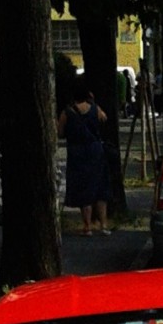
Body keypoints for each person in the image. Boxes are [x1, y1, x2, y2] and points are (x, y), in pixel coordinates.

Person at [58, 82, 111, 235]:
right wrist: (93, 102)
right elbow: (104, 119)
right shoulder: (95, 109)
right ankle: (104, 224)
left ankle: (87, 226)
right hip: (95, 150)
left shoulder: (67, 112)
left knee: (83, 187)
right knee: (100, 186)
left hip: (77, 152)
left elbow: (60, 133)